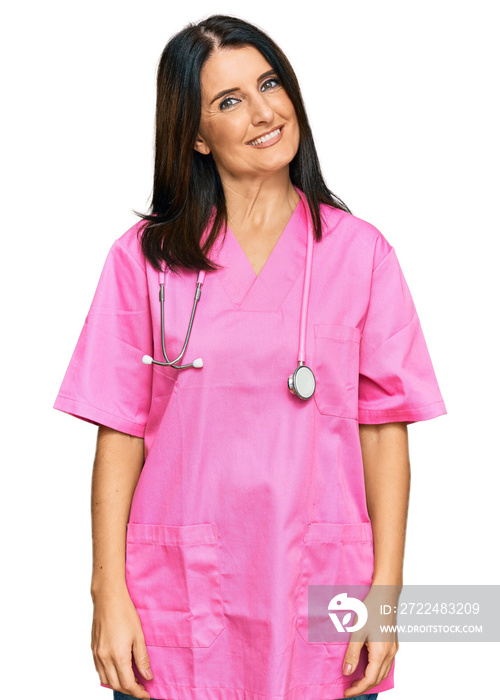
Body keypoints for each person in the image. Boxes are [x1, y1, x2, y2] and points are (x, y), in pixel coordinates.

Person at [53, 14, 447, 700]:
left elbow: (385, 431)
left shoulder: (362, 255)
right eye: (229, 100)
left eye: (270, 83)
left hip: (321, 587)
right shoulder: (143, 261)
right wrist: (106, 593)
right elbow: (118, 432)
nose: (264, 111)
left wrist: (387, 601)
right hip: (176, 597)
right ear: (197, 135)